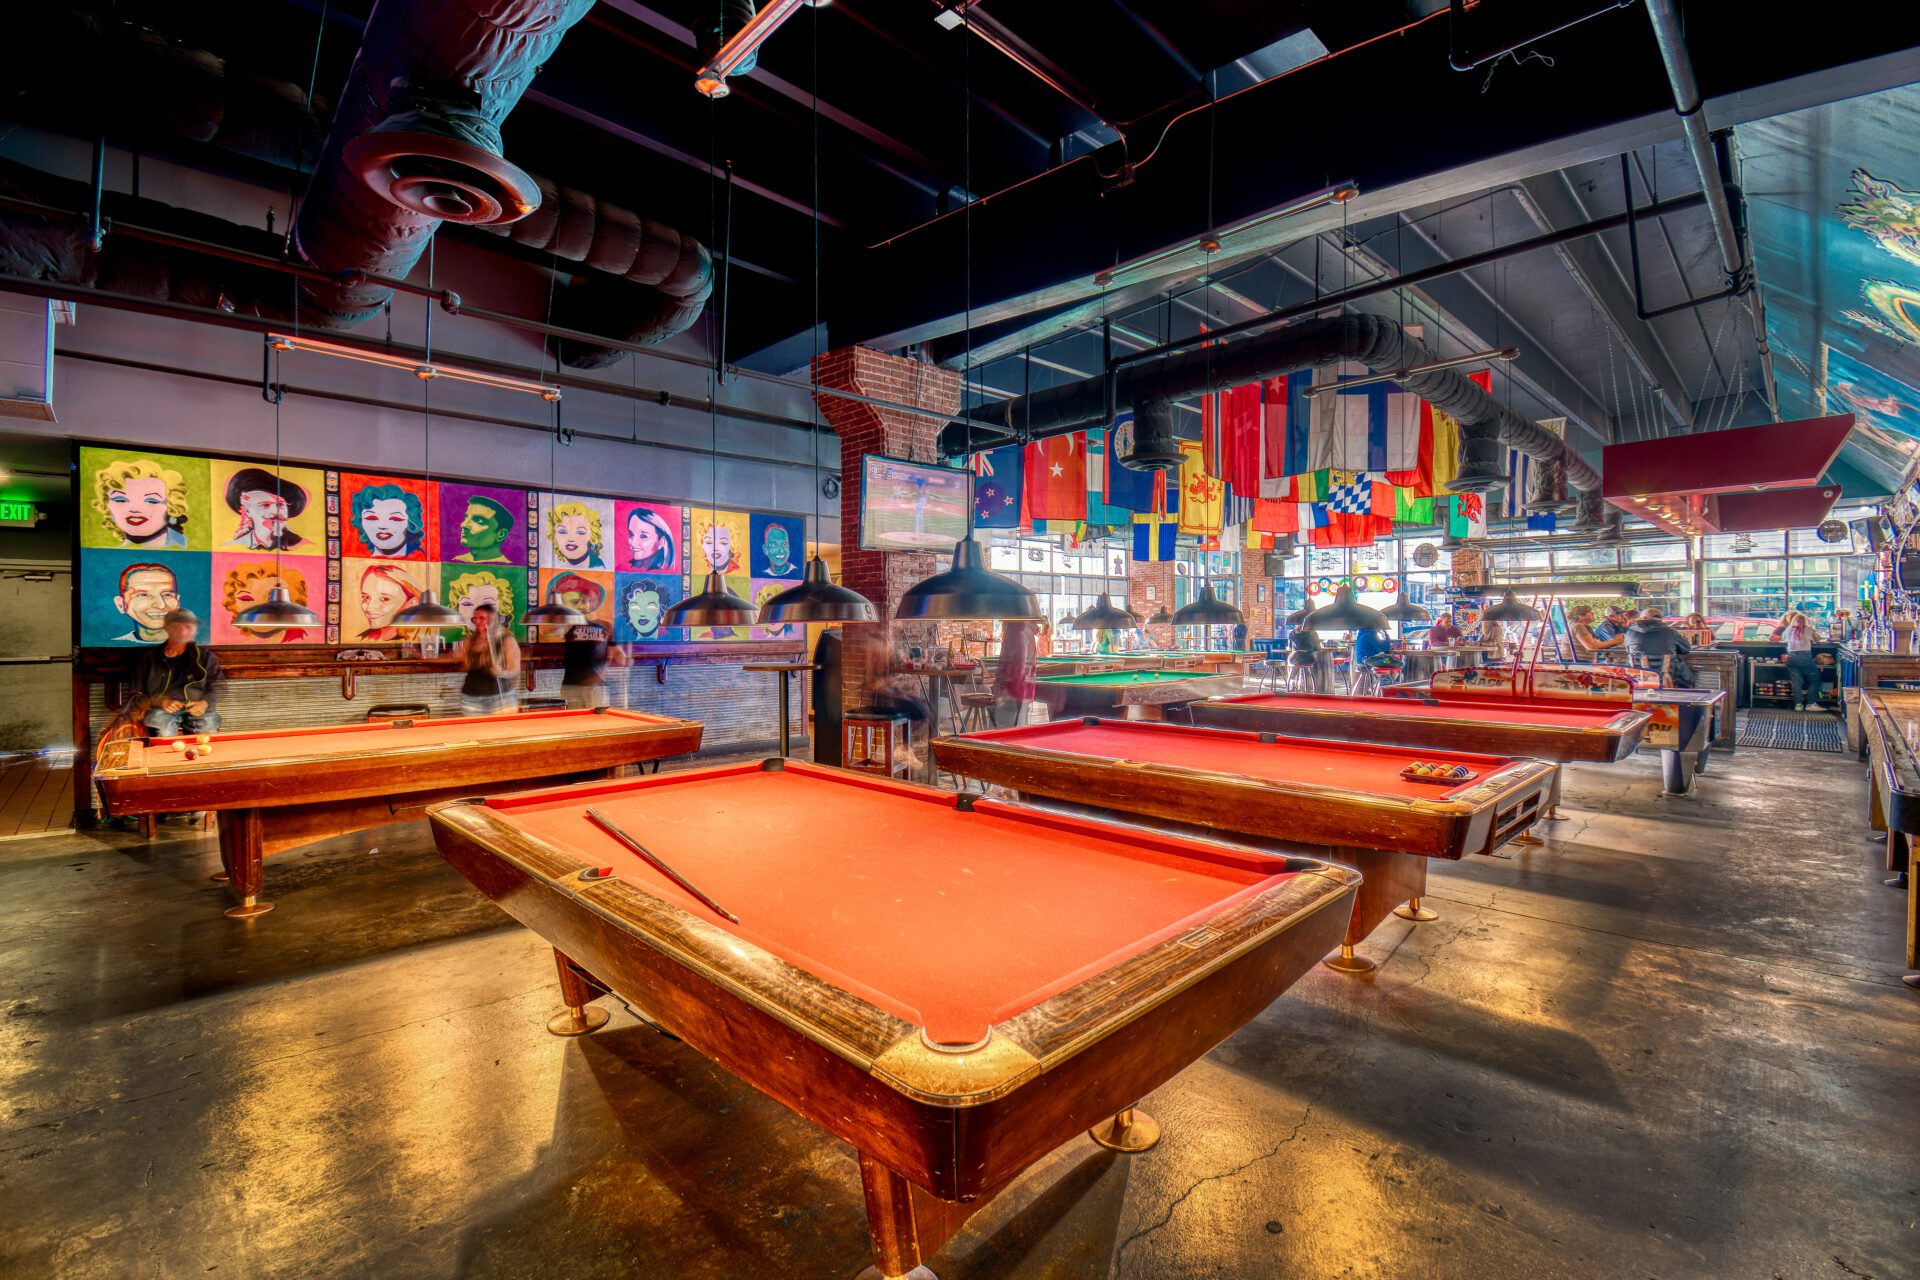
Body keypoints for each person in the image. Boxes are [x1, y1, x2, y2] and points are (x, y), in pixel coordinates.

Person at [132, 609, 223, 736]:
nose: (183, 632)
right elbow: (136, 695)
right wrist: (161, 702)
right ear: (167, 628)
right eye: (177, 627)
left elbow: (218, 686)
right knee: (163, 731)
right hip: (161, 709)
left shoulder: (205, 656)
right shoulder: (149, 658)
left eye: (188, 627)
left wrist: (204, 703)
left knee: (207, 731)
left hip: (197, 708)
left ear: (195, 630)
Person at [93, 458, 190, 549]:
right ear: (106, 505)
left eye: (152, 501)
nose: (135, 509)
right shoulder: (112, 548)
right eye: (120, 500)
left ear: (172, 508)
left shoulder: (182, 546)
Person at [222, 467, 308, 550]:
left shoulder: (302, 546)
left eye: (280, 505)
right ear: (247, 511)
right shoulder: (236, 546)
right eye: (265, 505)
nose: (276, 512)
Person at [457, 602, 520, 715]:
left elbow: (515, 669)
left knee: (502, 732)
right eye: (475, 618)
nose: (477, 621)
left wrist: (501, 673)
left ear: (493, 620)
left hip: (501, 699)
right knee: (475, 732)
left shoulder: (506, 640)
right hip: (471, 699)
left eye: (482, 618)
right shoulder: (470, 640)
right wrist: (420, 655)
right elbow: (455, 658)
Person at [559, 622, 627, 709]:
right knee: (574, 720)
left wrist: (619, 663)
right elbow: (552, 633)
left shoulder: (605, 626)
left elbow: (618, 653)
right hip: (571, 685)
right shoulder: (569, 625)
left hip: (595, 686)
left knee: (597, 720)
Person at [110, 562, 181, 643]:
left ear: (177, 601)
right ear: (120, 605)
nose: (161, 605)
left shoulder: (194, 647)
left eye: (167, 595)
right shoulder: (111, 647)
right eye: (143, 595)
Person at [1625, 607, 1695, 686]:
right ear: (1660, 619)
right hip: (1668, 678)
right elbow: (1686, 649)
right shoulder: (1671, 632)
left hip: (1638, 678)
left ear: (1643, 618)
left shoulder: (1630, 632)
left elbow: (1628, 650)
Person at [1772, 611, 1825, 710]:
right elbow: (1818, 639)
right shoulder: (1808, 629)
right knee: (1815, 680)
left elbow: (1783, 639)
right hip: (1804, 656)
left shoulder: (1788, 630)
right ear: (1805, 621)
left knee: (1796, 681)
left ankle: (1798, 705)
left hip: (1791, 657)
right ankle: (1811, 704)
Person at [991, 619, 1039, 728]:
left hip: (1013, 692)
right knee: (1018, 732)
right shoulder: (1026, 631)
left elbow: (1018, 666)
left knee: (1005, 733)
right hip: (1023, 690)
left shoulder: (1017, 631)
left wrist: (1006, 692)